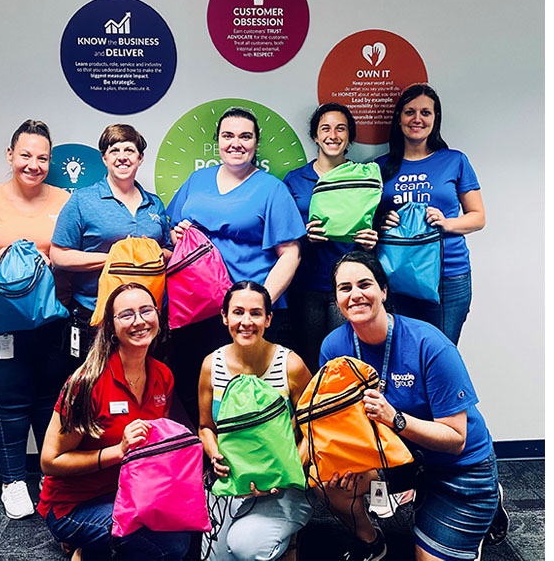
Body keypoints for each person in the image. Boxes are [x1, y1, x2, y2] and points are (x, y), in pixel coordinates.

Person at [318, 251, 501, 561]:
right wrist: (347, 462)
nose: (355, 295)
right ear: (336, 299)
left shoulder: (429, 344)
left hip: (457, 469)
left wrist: (395, 418)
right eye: (345, 288)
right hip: (398, 460)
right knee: (326, 480)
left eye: (365, 284)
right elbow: (341, 422)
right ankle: (371, 541)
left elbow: (456, 441)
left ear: (384, 291)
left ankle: (488, 504)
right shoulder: (334, 347)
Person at [0, 119, 71, 519]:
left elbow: (70, 253)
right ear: (11, 156)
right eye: (25, 155)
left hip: (50, 320)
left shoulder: (63, 200)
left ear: (50, 161)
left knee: (48, 402)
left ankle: (47, 475)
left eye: (41, 157)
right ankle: (13, 482)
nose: (33, 164)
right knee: (10, 403)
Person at [167, 107, 305, 425]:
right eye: (228, 136)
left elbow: (291, 254)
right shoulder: (197, 181)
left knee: (249, 393)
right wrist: (177, 236)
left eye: (245, 136)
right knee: (194, 387)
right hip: (196, 308)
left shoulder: (272, 189)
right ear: (218, 141)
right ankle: (206, 461)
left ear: (256, 143)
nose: (236, 143)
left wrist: (257, 304)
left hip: (244, 311)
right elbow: (174, 232)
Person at [38, 282, 190, 561]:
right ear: (111, 327)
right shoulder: (87, 383)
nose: (139, 321)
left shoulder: (163, 375)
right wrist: (118, 452)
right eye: (127, 314)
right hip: (73, 506)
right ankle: (86, 549)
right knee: (167, 547)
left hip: (128, 495)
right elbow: (50, 461)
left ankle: (99, 547)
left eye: (146, 311)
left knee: (184, 532)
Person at [198, 281, 313, 561]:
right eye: (238, 312)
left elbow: (316, 429)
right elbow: (204, 427)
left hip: (283, 486)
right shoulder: (211, 366)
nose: (246, 322)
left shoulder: (291, 365)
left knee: (245, 548)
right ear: (224, 317)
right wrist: (215, 455)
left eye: (256, 313)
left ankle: (290, 543)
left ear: (268, 319)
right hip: (231, 482)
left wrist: (286, 473)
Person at [50, 124, 173, 364]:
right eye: (114, 150)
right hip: (96, 317)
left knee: (145, 389)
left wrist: (152, 253)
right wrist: (118, 258)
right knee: (94, 392)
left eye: (129, 150)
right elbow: (59, 255)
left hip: (147, 318)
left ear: (140, 158)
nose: (122, 156)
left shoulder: (154, 204)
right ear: (104, 158)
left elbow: (168, 251)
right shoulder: (82, 200)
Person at [376, 84, 485, 344]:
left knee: (442, 351)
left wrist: (447, 223)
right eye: (409, 112)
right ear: (398, 118)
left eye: (426, 112)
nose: (417, 119)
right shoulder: (379, 167)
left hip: (448, 276)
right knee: (404, 353)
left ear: (435, 119)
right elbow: (364, 218)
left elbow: (478, 217)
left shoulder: (454, 160)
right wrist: (380, 221)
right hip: (395, 274)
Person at [284, 103, 378, 373]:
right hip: (306, 285)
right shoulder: (295, 180)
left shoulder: (365, 176)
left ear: (349, 137)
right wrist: (303, 235)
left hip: (351, 286)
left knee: (346, 363)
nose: (333, 135)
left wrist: (373, 239)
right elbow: (283, 232)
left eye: (341, 129)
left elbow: (378, 221)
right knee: (310, 361)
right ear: (315, 135)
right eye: (325, 128)